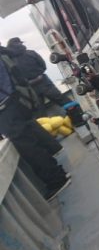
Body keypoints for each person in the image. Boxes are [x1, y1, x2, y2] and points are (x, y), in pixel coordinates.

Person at [0, 44, 71, 200]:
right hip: (17, 100)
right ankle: (58, 172)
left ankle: (57, 179)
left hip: (6, 108)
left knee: (27, 146)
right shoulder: (5, 52)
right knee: (31, 136)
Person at [6, 37, 67, 112]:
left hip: (29, 89)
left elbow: (12, 77)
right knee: (63, 101)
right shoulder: (31, 53)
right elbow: (43, 66)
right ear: (20, 44)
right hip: (43, 81)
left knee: (39, 112)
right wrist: (38, 75)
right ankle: (78, 118)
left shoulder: (9, 60)